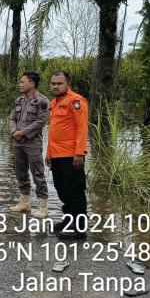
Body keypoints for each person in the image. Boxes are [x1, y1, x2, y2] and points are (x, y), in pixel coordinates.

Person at [46, 70, 89, 239]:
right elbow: (54, 131)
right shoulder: (55, 102)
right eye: (53, 83)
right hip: (57, 155)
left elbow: (82, 128)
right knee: (62, 189)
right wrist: (48, 153)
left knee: (74, 190)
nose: (55, 86)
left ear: (68, 84)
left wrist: (80, 153)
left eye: (59, 83)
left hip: (72, 156)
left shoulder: (76, 101)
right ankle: (69, 220)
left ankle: (79, 229)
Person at [9, 72, 50, 218]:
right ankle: (25, 203)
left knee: (38, 173)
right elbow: (13, 117)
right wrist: (15, 132)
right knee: (20, 172)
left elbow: (40, 122)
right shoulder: (19, 100)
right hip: (18, 143)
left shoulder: (42, 101)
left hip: (32, 143)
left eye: (22, 82)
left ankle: (42, 207)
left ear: (31, 84)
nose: (20, 84)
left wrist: (23, 133)